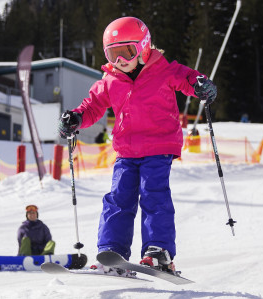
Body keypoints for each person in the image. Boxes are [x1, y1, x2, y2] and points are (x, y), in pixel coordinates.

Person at [57, 16, 217, 275]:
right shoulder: (110, 79)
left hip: (159, 145)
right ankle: (113, 251)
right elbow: (93, 106)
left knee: (154, 195)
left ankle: (158, 251)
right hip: (127, 151)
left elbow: (187, 78)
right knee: (118, 198)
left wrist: (201, 85)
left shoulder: (164, 70)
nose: (120, 61)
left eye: (126, 52)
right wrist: (75, 118)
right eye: (113, 55)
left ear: (143, 46)